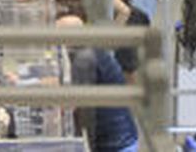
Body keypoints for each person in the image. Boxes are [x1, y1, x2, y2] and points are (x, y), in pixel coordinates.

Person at [61, 13, 143, 152]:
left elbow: (77, 106)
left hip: (116, 144)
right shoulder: (90, 50)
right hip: (122, 138)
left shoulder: (84, 58)